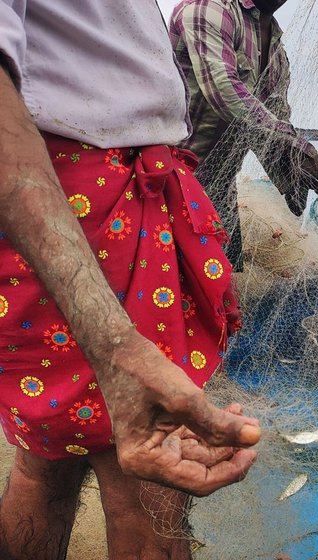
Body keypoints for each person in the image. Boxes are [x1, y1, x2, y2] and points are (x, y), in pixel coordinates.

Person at [0, 3, 261, 559]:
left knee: (47, 463)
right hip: (75, 206)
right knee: (147, 487)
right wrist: (116, 343)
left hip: (118, 195)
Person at [170, 0, 318, 271]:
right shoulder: (210, 8)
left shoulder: (277, 52)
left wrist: (292, 169)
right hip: (171, 181)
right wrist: (290, 142)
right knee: (171, 288)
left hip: (221, 188)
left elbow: (272, 120)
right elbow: (223, 88)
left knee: (228, 282)